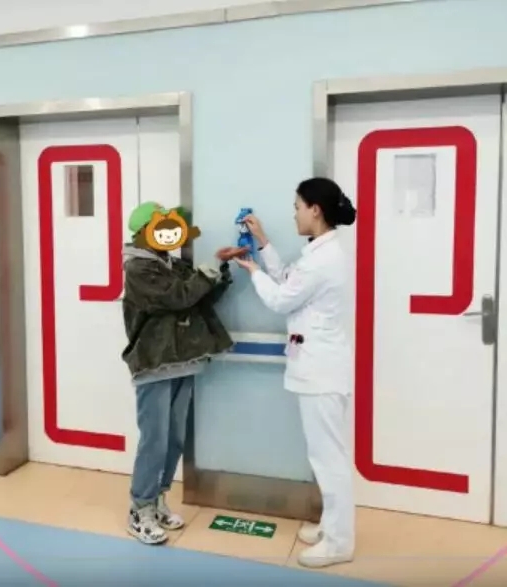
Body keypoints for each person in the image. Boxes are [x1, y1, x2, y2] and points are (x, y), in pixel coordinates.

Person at [235, 177, 356, 568]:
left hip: (322, 372)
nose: (294, 214)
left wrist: (253, 271)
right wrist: (263, 243)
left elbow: (281, 299)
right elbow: (290, 279)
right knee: (324, 454)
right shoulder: (320, 252)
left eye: (297, 207)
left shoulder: (323, 259)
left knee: (329, 459)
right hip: (319, 368)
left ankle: (339, 542)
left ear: (314, 210)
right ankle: (330, 527)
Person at [121, 201, 234, 545]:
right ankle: (139, 509)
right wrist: (206, 273)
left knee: (173, 438)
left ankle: (157, 500)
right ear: (144, 232)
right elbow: (177, 297)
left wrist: (220, 269)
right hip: (154, 362)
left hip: (183, 359)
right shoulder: (138, 269)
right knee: (154, 439)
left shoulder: (172, 264)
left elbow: (199, 298)